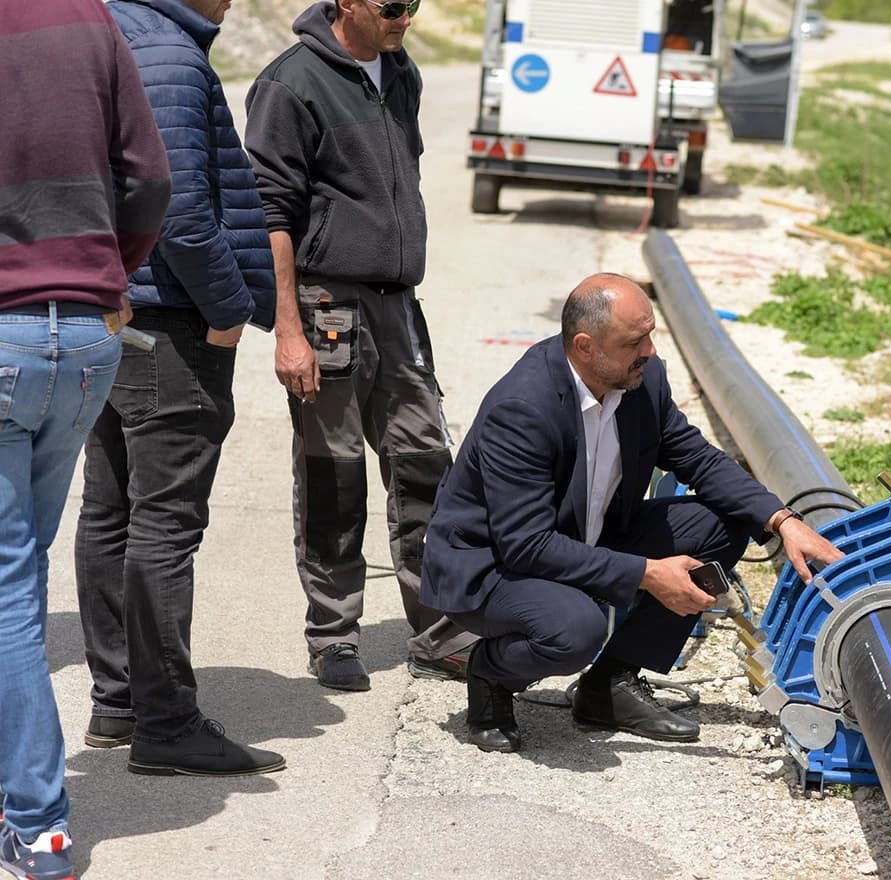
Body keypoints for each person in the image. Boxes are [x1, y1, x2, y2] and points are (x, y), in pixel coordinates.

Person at [423, 273, 843, 753]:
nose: (648, 350)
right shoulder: (524, 408)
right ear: (585, 347)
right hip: (493, 563)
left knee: (723, 522)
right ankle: (491, 674)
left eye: (650, 334)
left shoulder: (640, 378)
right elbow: (526, 544)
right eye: (633, 341)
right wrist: (647, 573)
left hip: (582, 535)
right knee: (574, 629)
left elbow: (697, 458)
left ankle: (609, 686)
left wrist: (782, 521)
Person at [74, 0, 283, 778]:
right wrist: (229, 310)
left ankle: (119, 702)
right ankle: (164, 720)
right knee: (161, 524)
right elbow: (181, 209)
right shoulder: (166, 52)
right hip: (169, 317)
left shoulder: (107, 30)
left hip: (112, 310)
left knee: (111, 508)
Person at [244, 0, 474, 693]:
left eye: (416, 3)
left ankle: (439, 626)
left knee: (427, 464)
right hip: (327, 309)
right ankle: (333, 634)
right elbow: (271, 215)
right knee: (333, 476)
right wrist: (288, 330)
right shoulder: (291, 84)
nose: (408, 16)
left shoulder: (401, 74)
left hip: (399, 308)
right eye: (394, 6)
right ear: (346, 2)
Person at [0, 0, 170, 874]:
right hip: (89, 343)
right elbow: (150, 176)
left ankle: (39, 823)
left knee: (6, 585)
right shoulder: (91, 20)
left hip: (5, 338)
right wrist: (112, 273)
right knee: (16, 573)